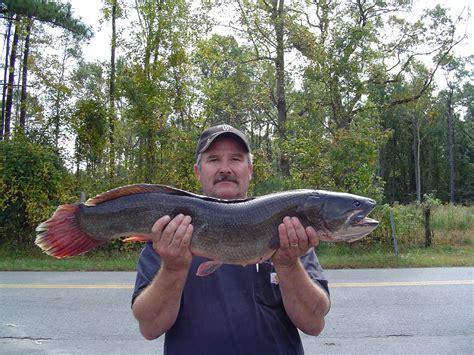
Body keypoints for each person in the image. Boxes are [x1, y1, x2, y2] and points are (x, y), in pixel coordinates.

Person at [131, 124, 330, 354]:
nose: (225, 168)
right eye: (214, 159)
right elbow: (150, 326)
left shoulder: (289, 229)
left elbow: (314, 323)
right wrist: (173, 268)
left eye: (235, 159)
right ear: (198, 171)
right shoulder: (170, 231)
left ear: (250, 169)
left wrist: (288, 265)